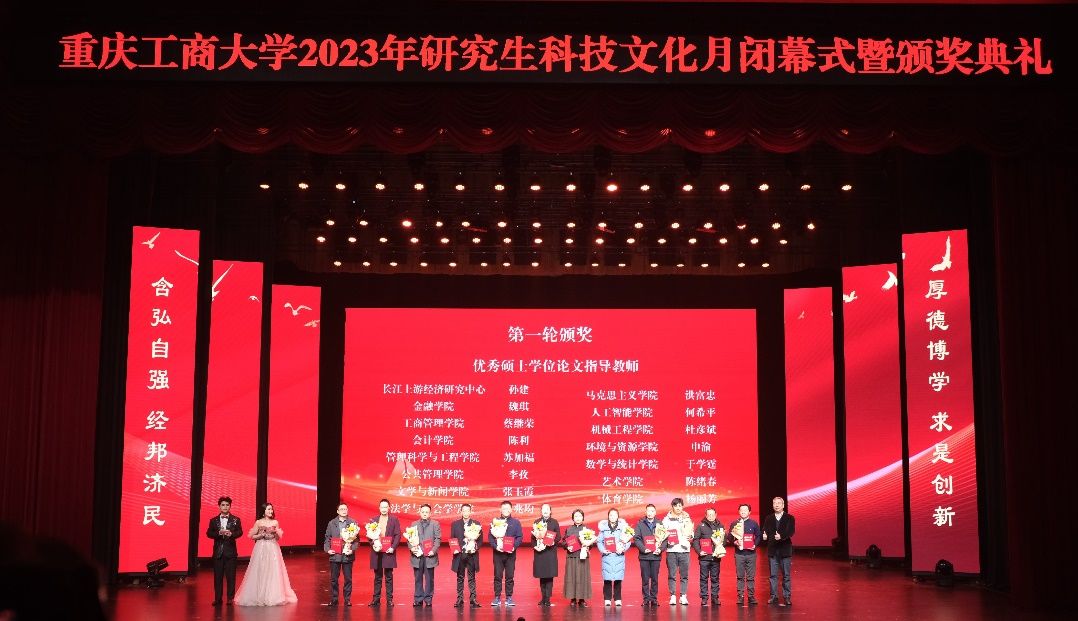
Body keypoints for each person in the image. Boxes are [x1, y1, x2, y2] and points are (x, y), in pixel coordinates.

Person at [234, 503, 298, 606]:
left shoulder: (275, 522)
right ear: (263, 511)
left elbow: (277, 538)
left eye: (271, 509)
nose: (270, 511)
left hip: (272, 547)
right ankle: (259, 595)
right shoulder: (258, 522)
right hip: (261, 547)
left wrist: (275, 533)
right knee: (260, 569)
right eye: (268, 509)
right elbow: (252, 536)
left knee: (273, 570)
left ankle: (272, 595)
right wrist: (261, 535)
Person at [205, 496, 242, 606]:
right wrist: (218, 533)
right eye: (223, 505)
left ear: (230, 506)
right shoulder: (213, 520)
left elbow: (240, 532)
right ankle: (218, 599)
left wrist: (232, 534)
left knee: (231, 577)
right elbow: (209, 533)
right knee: (218, 577)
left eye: (227, 505)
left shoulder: (236, 519)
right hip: (218, 552)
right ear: (219, 506)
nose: (225, 507)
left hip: (231, 552)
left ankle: (230, 598)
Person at [324, 503, 361, 606]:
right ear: (338, 511)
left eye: (345, 509)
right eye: (342, 509)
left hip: (347, 554)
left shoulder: (353, 522)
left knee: (348, 579)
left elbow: (357, 540)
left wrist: (352, 549)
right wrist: (328, 549)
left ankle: (347, 599)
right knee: (334, 579)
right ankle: (334, 599)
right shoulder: (332, 523)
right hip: (335, 554)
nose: (344, 511)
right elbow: (327, 538)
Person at [762, 496, 795, 608]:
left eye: (778, 503)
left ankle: (787, 596)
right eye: (774, 503)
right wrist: (764, 535)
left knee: (786, 575)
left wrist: (781, 536)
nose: (776, 505)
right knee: (773, 575)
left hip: (785, 550)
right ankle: (773, 596)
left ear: (783, 505)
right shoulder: (769, 518)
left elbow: (791, 531)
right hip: (773, 550)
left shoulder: (789, 518)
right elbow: (765, 530)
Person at [367, 498, 401, 607]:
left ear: (389, 508)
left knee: (389, 576)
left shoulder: (394, 520)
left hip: (388, 551)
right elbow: (369, 536)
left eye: (386, 507)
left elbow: (397, 535)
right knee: (377, 577)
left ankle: (389, 600)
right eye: (382, 507)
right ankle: (376, 599)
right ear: (379, 508)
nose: (384, 509)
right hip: (377, 552)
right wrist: (374, 544)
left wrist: (393, 547)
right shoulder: (374, 520)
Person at [489, 500, 523, 607]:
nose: (506, 510)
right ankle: (497, 597)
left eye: (508, 508)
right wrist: (496, 546)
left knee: (510, 576)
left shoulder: (516, 522)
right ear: (500, 510)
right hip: (498, 553)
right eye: (504, 508)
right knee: (497, 576)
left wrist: (514, 546)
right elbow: (490, 537)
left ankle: (509, 597)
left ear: (511, 509)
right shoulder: (495, 521)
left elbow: (519, 537)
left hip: (510, 554)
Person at [661, 497, 693, 605]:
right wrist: (666, 538)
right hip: (671, 550)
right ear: (672, 507)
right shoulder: (666, 519)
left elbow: (691, 532)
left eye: (680, 506)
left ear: (682, 506)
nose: (678, 508)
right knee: (672, 575)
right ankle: (673, 596)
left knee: (684, 575)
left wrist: (691, 536)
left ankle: (683, 596)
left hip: (684, 550)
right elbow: (661, 533)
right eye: (676, 506)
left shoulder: (687, 518)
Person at [728, 503, 761, 607]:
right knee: (740, 576)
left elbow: (758, 536)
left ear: (749, 512)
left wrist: (754, 545)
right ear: (739, 511)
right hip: (739, 554)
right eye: (741, 510)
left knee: (751, 577)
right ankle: (740, 596)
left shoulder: (754, 523)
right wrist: (734, 542)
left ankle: (751, 596)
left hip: (751, 554)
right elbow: (729, 537)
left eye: (745, 510)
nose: (743, 512)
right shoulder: (734, 523)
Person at [408, 504, 441, 607]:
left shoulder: (435, 524)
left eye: (427, 512)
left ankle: (428, 599)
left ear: (430, 513)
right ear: (420, 512)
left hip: (429, 556)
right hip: (417, 556)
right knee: (417, 579)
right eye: (423, 512)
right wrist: (412, 548)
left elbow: (437, 539)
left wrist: (433, 551)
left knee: (429, 579)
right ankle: (418, 599)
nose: (425, 514)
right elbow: (409, 539)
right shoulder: (414, 524)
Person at [450, 503, 482, 608]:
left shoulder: (476, 524)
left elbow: (480, 540)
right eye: (464, 510)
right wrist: (455, 549)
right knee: (460, 577)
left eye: (468, 510)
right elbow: (452, 539)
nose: (466, 513)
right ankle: (459, 599)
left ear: (470, 512)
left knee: (472, 577)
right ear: (461, 512)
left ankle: (473, 599)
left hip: (471, 554)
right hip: (460, 555)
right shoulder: (455, 524)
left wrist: (474, 547)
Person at [692, 507, 724, 607]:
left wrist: (720, 548)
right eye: (709, 514)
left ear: (716, 515)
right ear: (706, 515)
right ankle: (704, 598)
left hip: (716, 557)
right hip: (704, 557)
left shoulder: (720, 526)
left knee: (715, 578)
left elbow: (724, 539)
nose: (711, 516)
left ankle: (715, 597)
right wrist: (699, 551)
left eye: (712, 514)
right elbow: (695, 540)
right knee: (703, 578)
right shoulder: (700, 526)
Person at [598, 507, 629, 607]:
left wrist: (623, 549)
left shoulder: (623, 528)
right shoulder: (603, 529)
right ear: (608, 516)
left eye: (614, 515)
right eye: (611, 515)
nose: (612, 517)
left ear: (618, 516)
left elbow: (628, 541)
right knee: (607, 578)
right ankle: (607, 599)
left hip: (618, 556)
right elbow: (599, 541)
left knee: (618, 579)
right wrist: (603, 550)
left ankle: (617, 599)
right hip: (607, 556)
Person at [531, 503, 561, 607]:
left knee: (549, 576)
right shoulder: (537, 522)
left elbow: (558, 537)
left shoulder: (554, 522)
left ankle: (547, 598)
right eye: (543, 509)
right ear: (541, 511)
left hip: (550, 552)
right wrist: (535, 546)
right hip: (540, 552)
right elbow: (533, 538)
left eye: (547, 509)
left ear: (550, 511)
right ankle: (543, 597)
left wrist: (552, 542)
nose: (545, 511)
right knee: (542, 576)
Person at [633, 503, 663, 607]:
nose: (650, 513)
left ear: (655, 512)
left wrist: (660, 549)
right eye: (648, 511)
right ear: (645, 512)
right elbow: (636, 538)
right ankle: (646, 598)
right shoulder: (640, 524)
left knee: (654, 579)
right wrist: (643, 548)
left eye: (652, 511)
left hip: (655, 556)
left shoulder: (660, 524)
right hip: (644, 556)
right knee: (645, 579)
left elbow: (664, 539)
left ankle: (654, 598)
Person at [562, 509, 592, 607]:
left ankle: (582, 599)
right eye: (576, 516)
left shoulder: (587, 529)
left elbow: (591, 543)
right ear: (573, 518)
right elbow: (563, 542)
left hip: (583, 556)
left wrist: (588, 546)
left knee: (582, 577)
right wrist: (567, 546)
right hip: (571, 556)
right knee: (572, 577)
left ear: (583, 518)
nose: (578, 518)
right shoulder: (569, 529)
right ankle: (573, 598)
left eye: (579, 516)